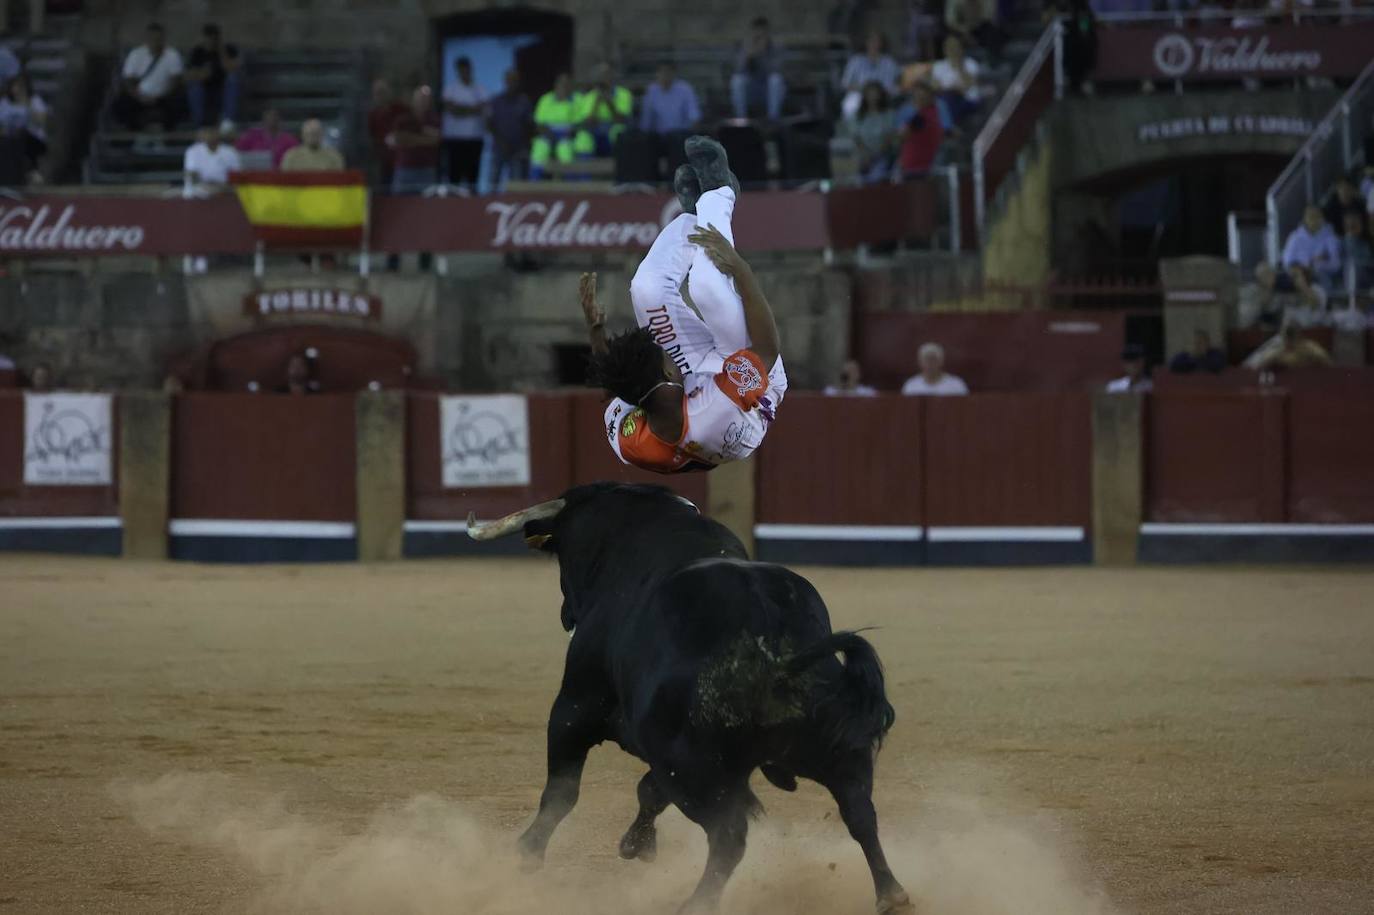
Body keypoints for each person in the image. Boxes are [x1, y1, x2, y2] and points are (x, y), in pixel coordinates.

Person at [584, 135, 787, 473]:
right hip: (750, 382)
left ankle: (695, 215)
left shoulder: (630, 438)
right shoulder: (716, 413)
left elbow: (614, 380)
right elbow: (767, 349)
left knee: (646, 290)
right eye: (662, 349)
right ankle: (720, 193)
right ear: (666, 371)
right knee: (708, 287)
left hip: (690, 384)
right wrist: (740, 268)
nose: (663, 342)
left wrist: (595, 333)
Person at [112, 22, 185, 131]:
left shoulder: (172, 55)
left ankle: (169, 138)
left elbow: (176, 80)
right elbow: (128, 80)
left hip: (164, 97)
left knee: (178, 105)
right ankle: (131, 136)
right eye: (152, 37)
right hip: (139, 96)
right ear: (147, 38)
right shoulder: (136, 54)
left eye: (158, 38)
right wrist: (139, 96)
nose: (155, 41)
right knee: (121, 106)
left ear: (163, 38)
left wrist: (161, 96)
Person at [441, 56, 488, 190]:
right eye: (461, 69)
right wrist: (473, 109)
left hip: (475, 139)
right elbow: (452, 110)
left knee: (472, 178)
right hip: (455, 139)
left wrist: (461, 108)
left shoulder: (480, 89)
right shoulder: (450, 89)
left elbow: (483, 108)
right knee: (454, 177)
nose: (464, 72)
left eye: (466, 69)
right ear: (458, 71)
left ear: (470, 69)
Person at [184, 23, 242, 131]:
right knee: (193, 86)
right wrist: (201, 73)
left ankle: (228, 121)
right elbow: (188, 75)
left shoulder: (229, 49)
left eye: (214, 38)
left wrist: (221, 51)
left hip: (224, 90)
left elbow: (231, 68)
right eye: (208, 38)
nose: (211, 41)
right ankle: (201, 124)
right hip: (205, 89)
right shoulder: (198, 52)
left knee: (233, 79)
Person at [842, 81, 898, 184]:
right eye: (869, 93)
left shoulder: (889, 114)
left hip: (882, 156)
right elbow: (856, 137)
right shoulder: (857, 115)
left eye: (875, 93)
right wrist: (865, 155)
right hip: (863, 157)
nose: (872, 96)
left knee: (877, 179)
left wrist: (876, 156)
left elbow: (889, 136)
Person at [731, 16, 786, 120]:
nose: (759, 34)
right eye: (757, 31)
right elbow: (738, 70)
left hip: (768, 89)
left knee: (775, 80)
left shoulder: (776, 46)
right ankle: (741, 118)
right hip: (751, 89)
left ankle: (773, 118)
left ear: (768, 32)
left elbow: (777, 70)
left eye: (763, 31)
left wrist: (762, 54)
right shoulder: (745, 46)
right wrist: (748, 55)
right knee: (737, 81)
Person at [575, 64, 633, 158]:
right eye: (601, 75)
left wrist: (608, 101)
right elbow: (588, 123)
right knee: (583, 138)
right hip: (596, 130)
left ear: (612, 76)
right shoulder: (589, 97)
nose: (605, 78)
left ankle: (619, 167)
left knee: (618, 131)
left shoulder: (624, 94)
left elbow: (621, 120)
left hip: (613, 127)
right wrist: (597, 102)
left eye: (607, 74)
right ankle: (584, 170)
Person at [388, 86, 440, 192]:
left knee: (428, 205)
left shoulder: (434, 119)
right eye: (420, 98)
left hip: (427, 169)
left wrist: (411, 138)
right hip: (405, 168)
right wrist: (425, 137)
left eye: (426, 99)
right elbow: (399, 139)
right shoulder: (403, 119)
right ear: (413, 100)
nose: (423, 101)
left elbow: (437, 140)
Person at [487, 68, 533, 188]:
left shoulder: (524, 101)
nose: (511, 83)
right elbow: (489, 124)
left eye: (514, 80)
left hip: (518, 149)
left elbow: (529, 126)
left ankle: (515, 206)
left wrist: (521, 144)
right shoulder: (496, 101)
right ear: (505, 82)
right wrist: (501, 141)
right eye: (509, 80)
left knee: (517, 185)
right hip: (499, 147)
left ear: (518, 82)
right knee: (493, 183)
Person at [840, 32, 900, 120]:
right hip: (860, 94)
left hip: (884, 96)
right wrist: (864, 90)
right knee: (849, 105)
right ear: (866, 42)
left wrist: (880, 92)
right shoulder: (856, 61)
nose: (874, 44)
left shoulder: (890, 62)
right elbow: (845, 83)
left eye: (877, 41)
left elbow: (897, 83)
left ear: (882, 44)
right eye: (872, 41)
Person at [1281, 205, 1341, 292]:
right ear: (1305, 219)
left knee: (1321, 278)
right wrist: (1304, 267)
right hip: (1299, 274)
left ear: (1322, 219)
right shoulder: (1295, 237)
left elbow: (1336, 264)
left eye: (1317, 216)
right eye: (1311, 217)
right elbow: (1287, 261)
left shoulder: (1330, 237)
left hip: (1320, 275)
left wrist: (1317, 265)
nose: (1314, 220)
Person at [530, 72, 578, 179]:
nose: (564, 87)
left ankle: (571, 187)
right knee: (539, 149)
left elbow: (577, 124)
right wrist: (550, 135)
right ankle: (534, 185)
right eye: (562, 84)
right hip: (548, 134)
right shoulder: (545, 99)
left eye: (567, 84)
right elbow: (539, 123)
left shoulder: (575, 100)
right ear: (556, 85)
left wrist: (567, 134)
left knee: (565, 151)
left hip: (566, 136)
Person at [0, 74, 48, 181]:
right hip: (10, 139)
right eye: (15, 86)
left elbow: (41, 122)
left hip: (33, 140)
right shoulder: (5, 103)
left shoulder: (35, 101)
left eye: (20, 87)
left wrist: (27, 104)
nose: (17, 90)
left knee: (22, 135)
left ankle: (32, 171)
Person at [930, 35, 983, 123]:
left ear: (961, 48)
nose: (953, 49)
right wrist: (953, 89)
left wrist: (959, 65)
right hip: (945, 99)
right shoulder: (938, 66)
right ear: (944, 49)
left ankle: (949, 128)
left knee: (949, 100)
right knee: (945, 99)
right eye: (950, 47)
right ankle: (949, 127)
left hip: (969, 100)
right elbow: (935, 87)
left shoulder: (970, 63)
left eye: (955, 46)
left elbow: (968, 85)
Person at [897, 82, 946, 177]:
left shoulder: (922, 117)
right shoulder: (933, 113)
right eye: (917, 96)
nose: (919, 99)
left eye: (922, 96)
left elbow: (901, 136)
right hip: (918, 165)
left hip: (917, 167)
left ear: (931, 97)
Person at [639, 62, 701, 137]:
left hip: (680, 134)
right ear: (657, 74)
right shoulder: (652, 91)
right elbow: (646, 119)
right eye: (662, 72)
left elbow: (694, 115)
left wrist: (692, 136)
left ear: (674, 73)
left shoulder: (685, 89)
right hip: (658, 136)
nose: (665, 75)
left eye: (668, 72)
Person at [367, 78, 408, 188]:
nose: (380, 96)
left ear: (389, 92)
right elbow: (373, 136)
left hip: (402, 160)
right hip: (383, 160)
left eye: (383, 92)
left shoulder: (401, 109)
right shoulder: (373, 115)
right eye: (377, 93)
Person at [1247, 324, 1333, 371]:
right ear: (1283, 338)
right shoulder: (1276, 349)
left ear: (1299, 337)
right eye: (1287, 338)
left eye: (1292, 337)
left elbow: (1329, 364)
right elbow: (1256, 367)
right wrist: (1275, 357)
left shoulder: (1310, 348)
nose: (1290, 343)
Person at [901, 342, 968, 395]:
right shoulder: (911, 385)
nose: (930, 363)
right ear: (920, 362)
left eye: (933, 359)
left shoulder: (956, 385)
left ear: (941, 361)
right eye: (926, 359)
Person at [1340, 209, 1372, 296]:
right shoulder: (1343, 241)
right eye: (1350, 225)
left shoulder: (1365, 242)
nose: (1353, 227)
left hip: (1367, 277)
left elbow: (1368, 260)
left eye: (1356, 224)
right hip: (1352, 278)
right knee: (1353, 266)